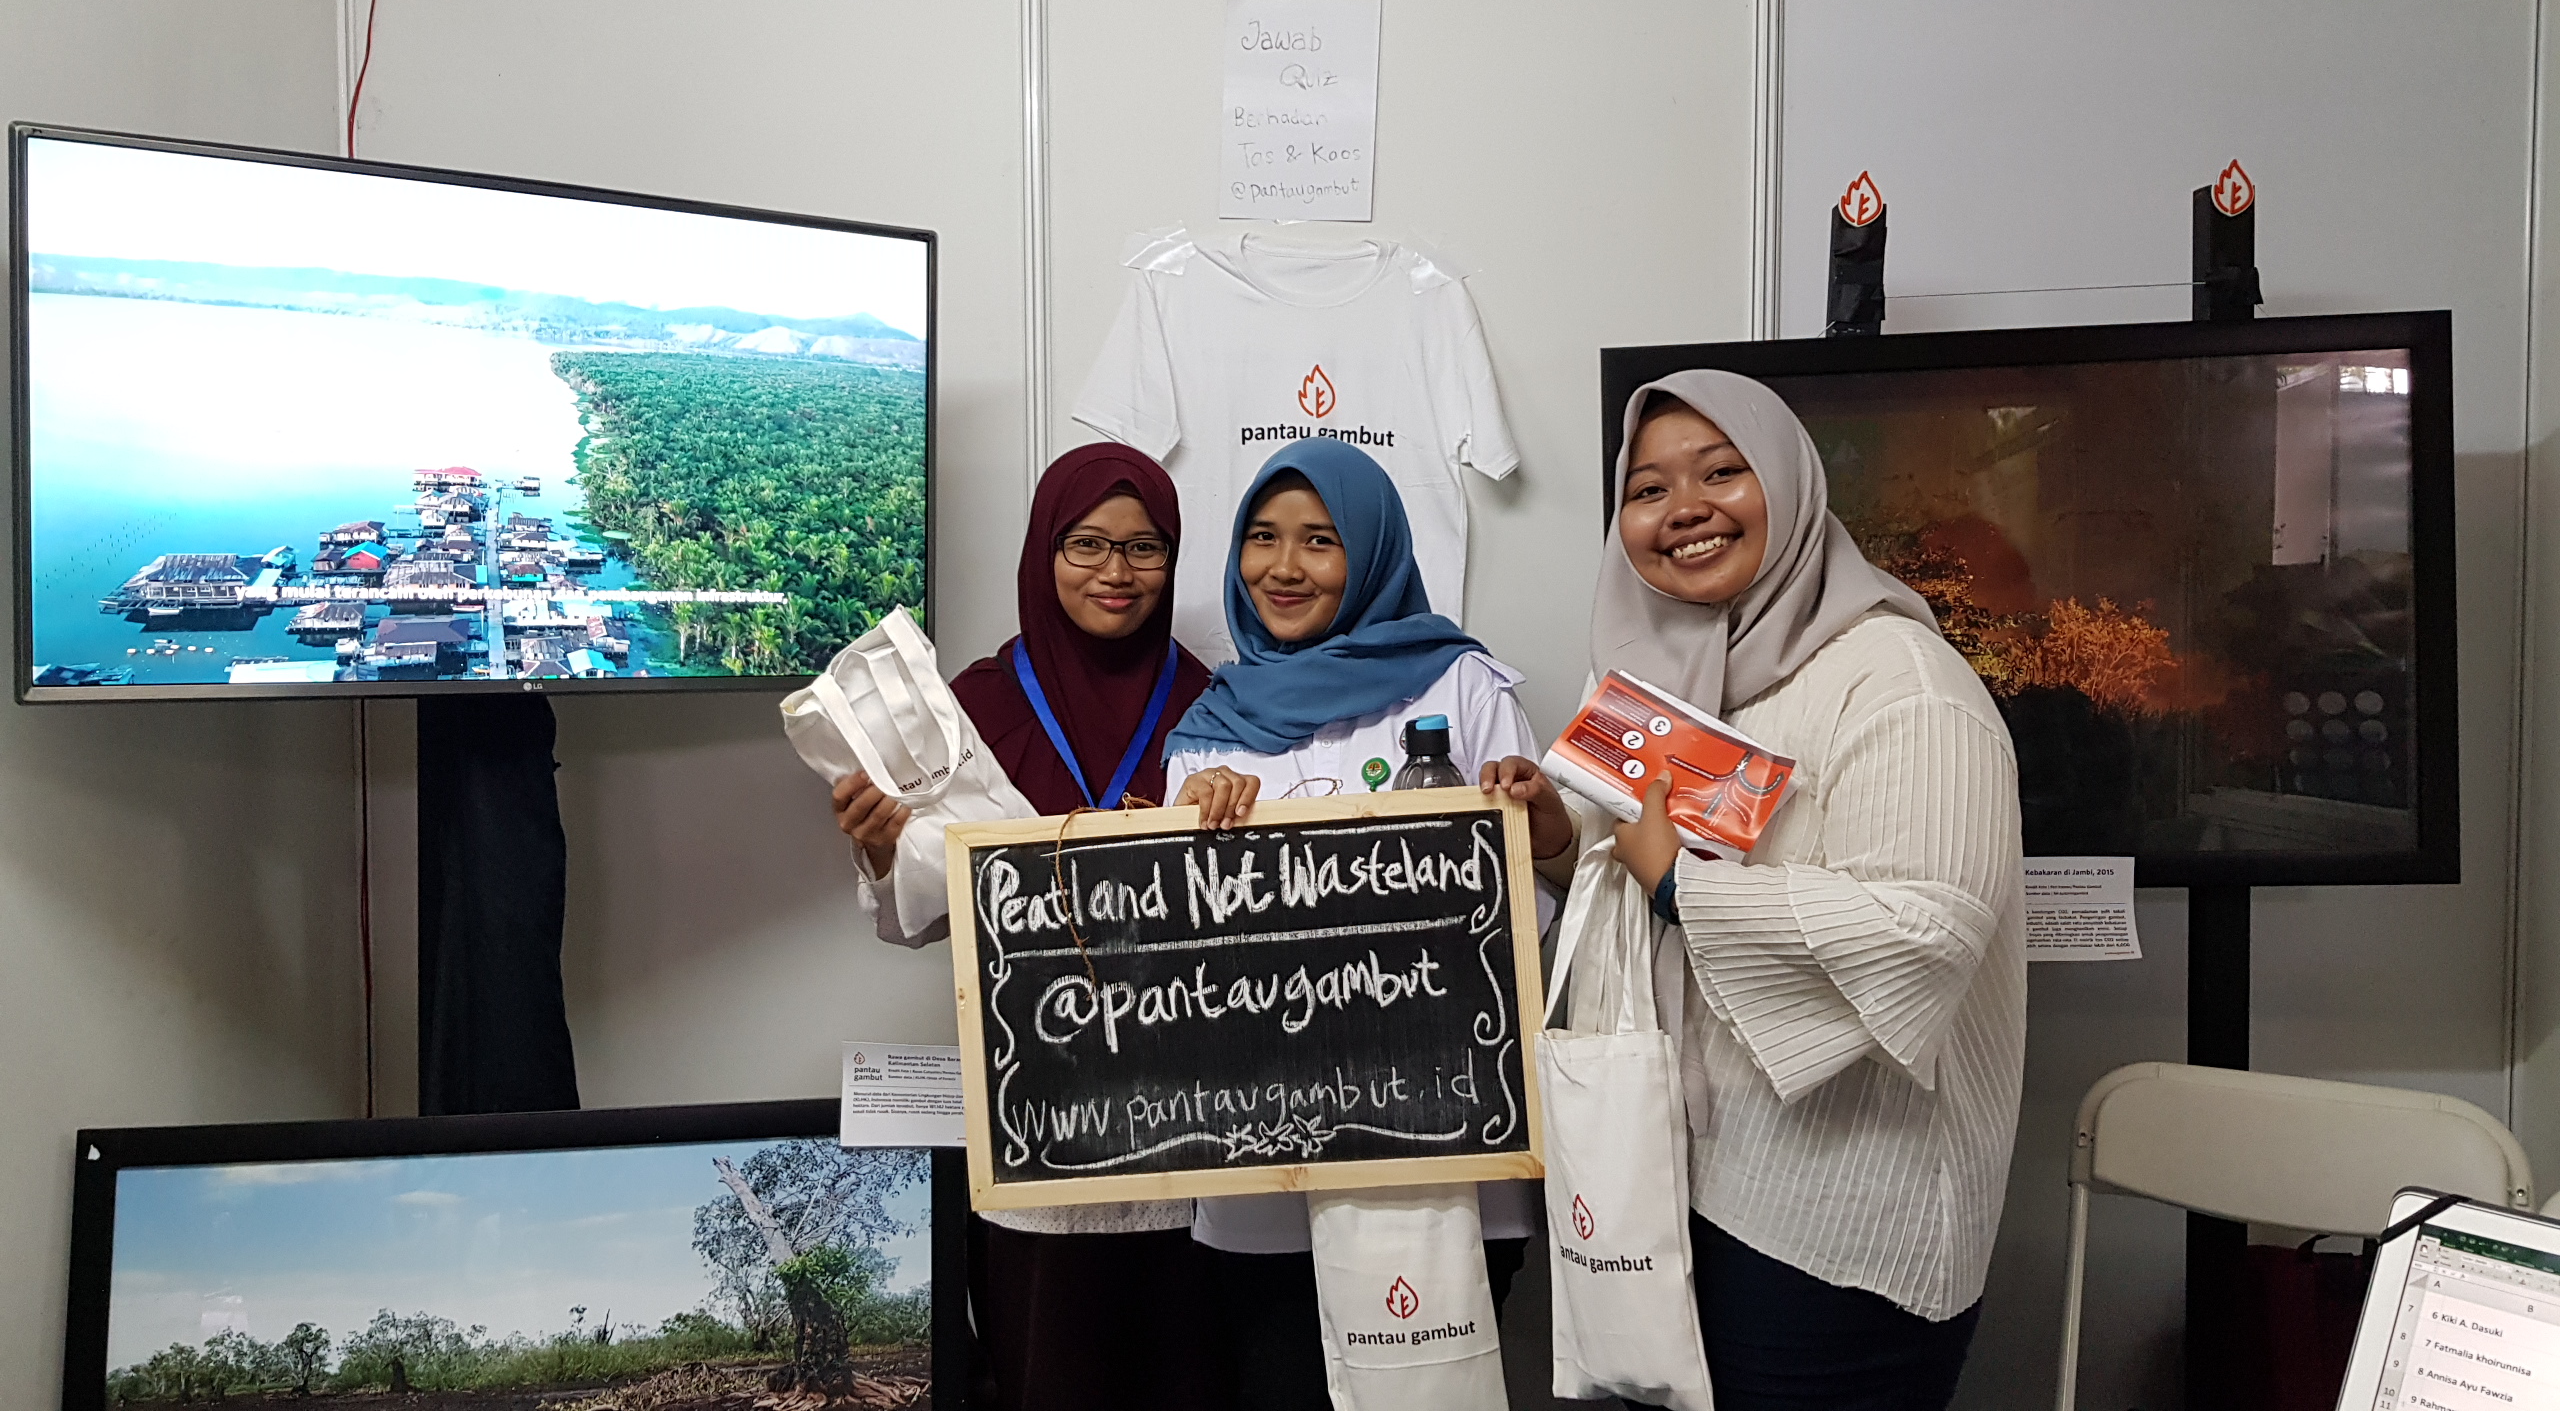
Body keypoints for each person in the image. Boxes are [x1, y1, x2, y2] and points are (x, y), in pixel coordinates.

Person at [1581, 371, 2026, 1411]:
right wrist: (1566, 841)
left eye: (1721, 473)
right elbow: (1639, 861)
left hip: (1837, 1223)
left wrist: (1681, 890)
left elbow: (1926, 930)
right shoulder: (1669, 681)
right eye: (1647, 488)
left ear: (1789, 484)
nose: (1684, 508)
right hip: (1680, 1185)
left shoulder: (1900, 680)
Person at [1160, 436, 1576, 1411]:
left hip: (1447, 1142)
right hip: (1264, 1161)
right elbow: (1182, 964)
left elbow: (1526, 907)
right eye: (1262, 537)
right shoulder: (1208, 730)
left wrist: (1536, 823)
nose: (1283, 567)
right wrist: (1185, 837)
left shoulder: (1461, 685)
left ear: (1374, 549)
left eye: (1320, 539)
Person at [830, 442, 1222, 1411]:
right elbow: (923, 918)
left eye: (1145, 548)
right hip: (1035, 1128)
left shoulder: (1218, 709)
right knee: (1048, 1377)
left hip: (1194, 1135)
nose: (1116, 572)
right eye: (1086, 543)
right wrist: (880, 851)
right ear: (1044, 551)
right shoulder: (970, 711)